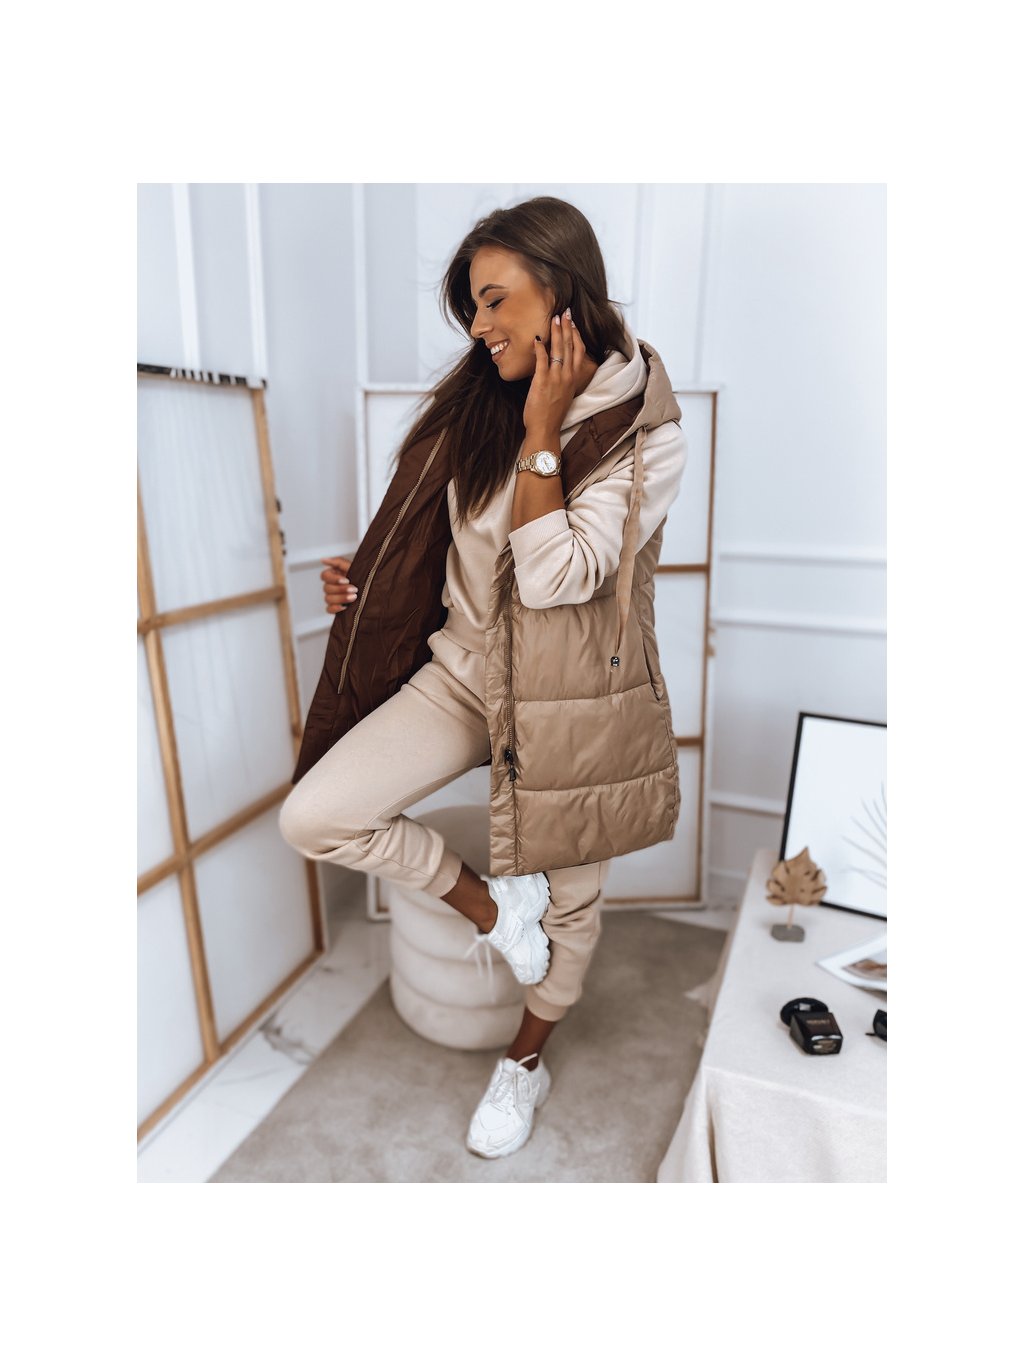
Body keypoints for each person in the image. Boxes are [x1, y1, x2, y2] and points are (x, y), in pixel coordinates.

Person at [279, 196, 688, 1160]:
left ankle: (524, 1064)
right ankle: (494, 909)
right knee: (315, 815)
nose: (478, 326)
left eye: (495, 299)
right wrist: (369, 584)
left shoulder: (647, 434)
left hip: (570, 702)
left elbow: (554, 576)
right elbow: (441, 547)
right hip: (462, 678)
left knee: (573, 916)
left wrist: (543, 428)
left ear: (564, 292)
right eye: (472, 305)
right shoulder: (480, 402)